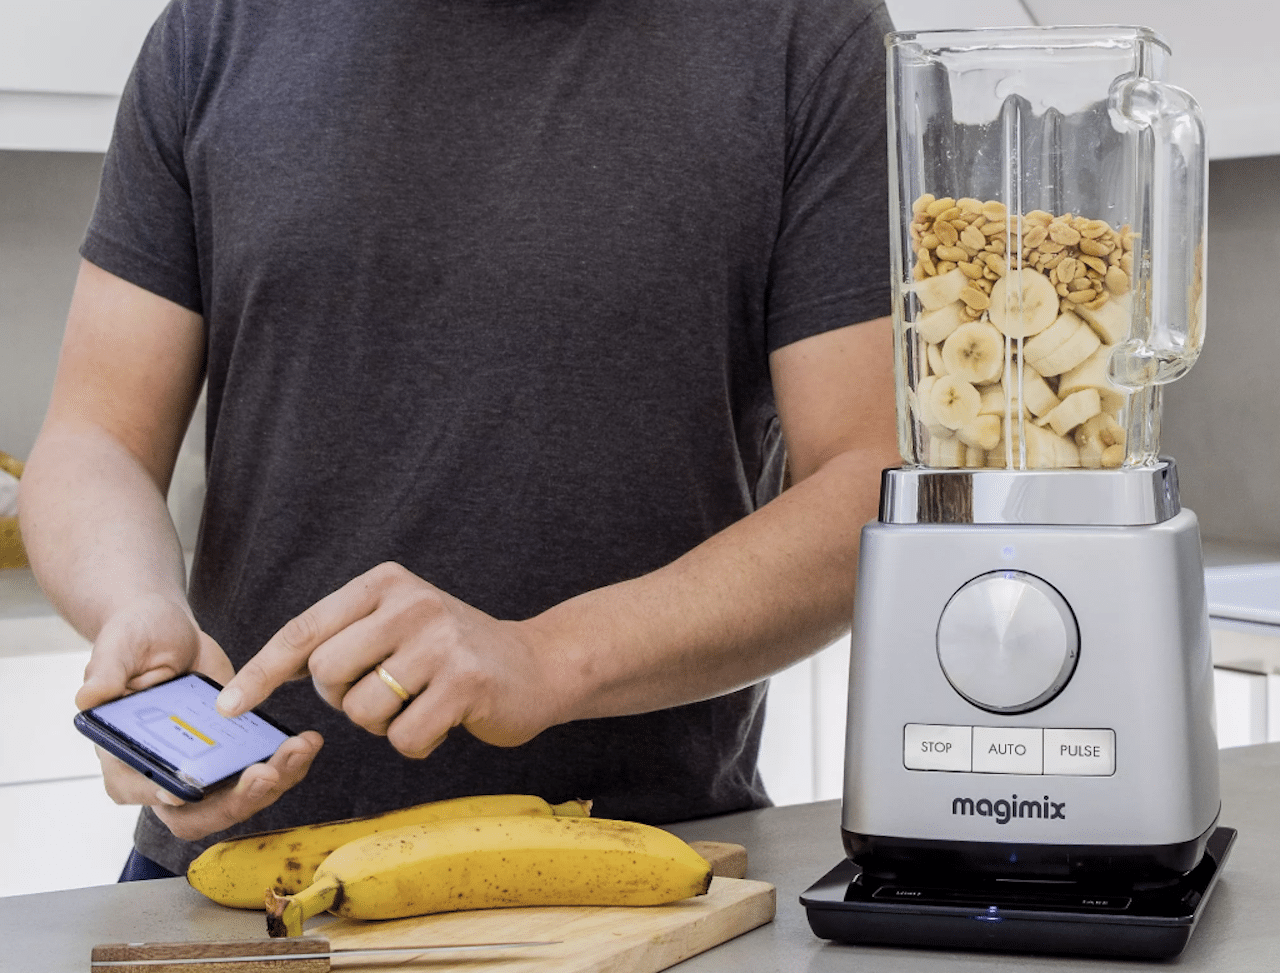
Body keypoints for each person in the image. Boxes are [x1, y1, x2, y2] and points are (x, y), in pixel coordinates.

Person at [19, 0, 900, 879]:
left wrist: (545, 657)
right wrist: (132, 603)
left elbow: (874, 478)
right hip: (235, 878)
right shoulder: (216, 26)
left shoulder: (804, 34)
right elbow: (97, 437)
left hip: (637, 882)